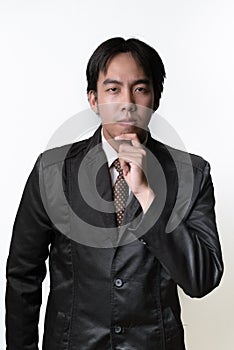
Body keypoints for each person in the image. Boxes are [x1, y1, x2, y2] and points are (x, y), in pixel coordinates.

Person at [5, 37, 223, 350]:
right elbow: (23, 275)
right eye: (113, 89)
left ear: (155, 99)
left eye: (140, 88)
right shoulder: (53, 171)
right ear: (93, 100)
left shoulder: (192, 174)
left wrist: (147, 194)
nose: (127, 102)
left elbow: (201, 279)